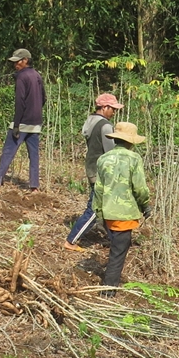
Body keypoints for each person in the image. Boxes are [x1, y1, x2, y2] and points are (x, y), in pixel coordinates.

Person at [91, 122, 150, 290]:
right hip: (124, 214)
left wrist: (99, 214)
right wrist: (145, 205)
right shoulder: (134, 159)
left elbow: (99, 189)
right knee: (118, 252)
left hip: (108, 212)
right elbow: (140, 188)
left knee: (116, 248)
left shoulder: (103, 158)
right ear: (131, 142)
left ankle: (109, 283)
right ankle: (109, 288)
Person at [66, 92, 122, 251]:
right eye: (113, 109)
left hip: (92, 167)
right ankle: (71, 240)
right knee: (95, 209)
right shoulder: (105, 126)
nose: (114, 112)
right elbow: (111, 152)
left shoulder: (90, 121)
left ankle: (115, 241)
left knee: (106, 207)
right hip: (101, 172)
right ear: (105, 107)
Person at [0, 48, 46, 189]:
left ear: (25, 60)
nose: (15, 65)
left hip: (23, 121)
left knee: (8, 151)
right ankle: (34, 185)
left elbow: (19, 102)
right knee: (34, 156)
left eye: (17, 62)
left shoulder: (22, 76)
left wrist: (16, 124)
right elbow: (44, 98)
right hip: (36, 122)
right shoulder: (37, 75)